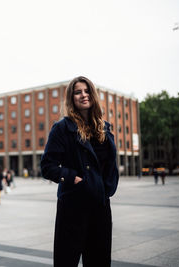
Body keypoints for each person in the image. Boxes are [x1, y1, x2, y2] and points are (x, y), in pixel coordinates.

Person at [41, 76, 119, 267]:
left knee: (99, 261)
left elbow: (110, 163)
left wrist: (107, 186)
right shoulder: (62, 128)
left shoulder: (104, 128)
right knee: (66, 261)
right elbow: (47, 166)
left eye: (86, 91)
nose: (83, 95)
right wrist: (74, 179)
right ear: (71, 98)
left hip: (100, 206)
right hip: (73, 206)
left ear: (92, 95)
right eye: (78, 92)